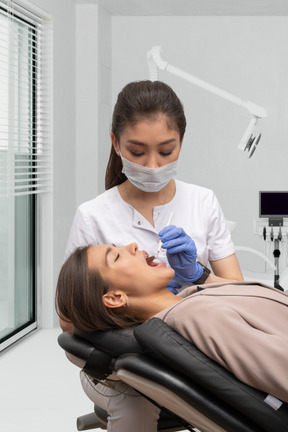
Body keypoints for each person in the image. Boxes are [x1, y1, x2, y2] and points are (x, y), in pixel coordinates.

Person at [62, 80, 244, 431]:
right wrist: (152, 312)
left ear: (181, 143)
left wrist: (196, 276)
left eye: (166, 151)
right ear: (115, 144)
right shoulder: (93, 215)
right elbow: (71, 321)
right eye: (137, 150)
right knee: (135, 394)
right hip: (123, 364)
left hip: (199, 351)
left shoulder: (203, 202)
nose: (152, 164)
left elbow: (237, 292)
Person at [56, 242, 288, 404]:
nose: (133, 245)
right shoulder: (196, 315)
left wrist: (199, 273)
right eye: (116, 256)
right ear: (116, 298)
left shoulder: (190, 300)